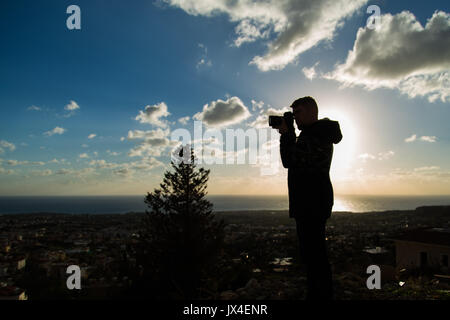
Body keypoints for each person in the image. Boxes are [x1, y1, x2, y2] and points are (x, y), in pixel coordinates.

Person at [275, 96, 342, 300]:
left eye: (298, 112)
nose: (295, 118)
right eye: (293, 114)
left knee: (315, 254)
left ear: (312, 112)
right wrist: (291, 135)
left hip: (312, 202)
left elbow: (290, 159)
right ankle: (317, 292)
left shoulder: (318, 134)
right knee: (311, 253)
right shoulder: (313, 134)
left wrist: (287, 135)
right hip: (310, 201)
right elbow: (296, 159)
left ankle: (320, 295)